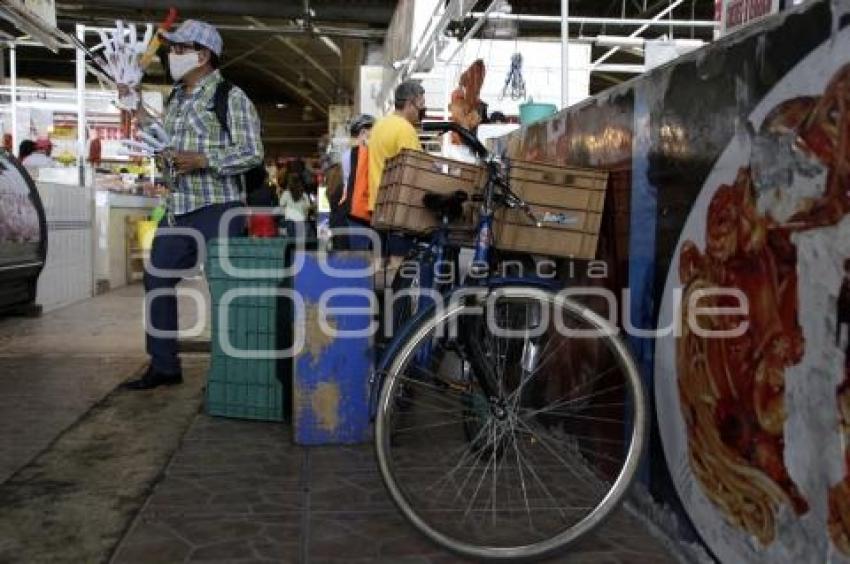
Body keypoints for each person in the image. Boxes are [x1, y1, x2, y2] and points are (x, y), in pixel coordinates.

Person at [124, 19, 264, 390]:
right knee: (157, 278)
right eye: (172, 48)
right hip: (178, 207)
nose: (172, 55)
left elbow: (252, 153)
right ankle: (164, 365)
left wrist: (203, 160)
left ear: (203, 56)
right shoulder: (176, 98)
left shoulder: (230, 97)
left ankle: (231, 371)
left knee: (223, 289)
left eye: (180, 49)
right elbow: (163, 141)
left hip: (218, 206)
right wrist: (134, 108)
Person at [367, 81, 425, 215]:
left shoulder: (378, 125)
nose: (421, 110)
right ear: (410, 103)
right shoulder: (405, 129)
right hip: (396, 208)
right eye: (420, 105)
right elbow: (414, 169)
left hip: (377, 204)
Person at [340, 114, 374, 250]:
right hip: (361, 212)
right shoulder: (360, 154)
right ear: (363, 132)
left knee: (360, 257)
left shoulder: (347, 155)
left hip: (352, 211)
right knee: (364, 258)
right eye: (374, 131)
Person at [279, 171, 312, 238]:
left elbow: (281, 207)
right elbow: (307, 210)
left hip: (290, 224)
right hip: (302, 223)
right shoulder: (304, 195)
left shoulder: (286, 193)